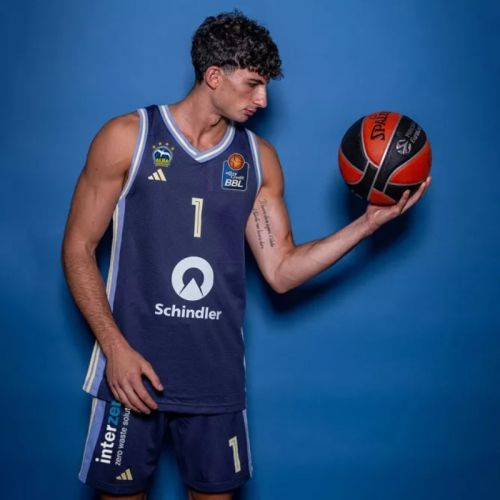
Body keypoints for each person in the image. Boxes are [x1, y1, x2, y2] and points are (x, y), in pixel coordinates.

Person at [62, 10, 430, 500]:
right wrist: (114, 348)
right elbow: (78, 248)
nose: (263, 99)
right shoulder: (128, 138)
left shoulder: (258, 160)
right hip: (130, 374)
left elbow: (281, 271)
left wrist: (366, 225)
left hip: (215, 381)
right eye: (254, 84)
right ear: (214, 76)